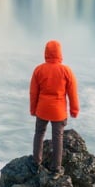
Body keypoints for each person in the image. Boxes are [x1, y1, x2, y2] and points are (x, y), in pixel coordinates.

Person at [29, 40, 79, 176]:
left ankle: (35, 162)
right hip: (58, 112)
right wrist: (74, 110)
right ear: (60, 53)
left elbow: (33, 93)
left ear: (45, 53)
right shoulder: (66, 71)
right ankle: (56, 169)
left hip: (42, 109)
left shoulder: (39, 70)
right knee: (58, 138)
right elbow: (72, 92)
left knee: (39, 134)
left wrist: (33, 109)